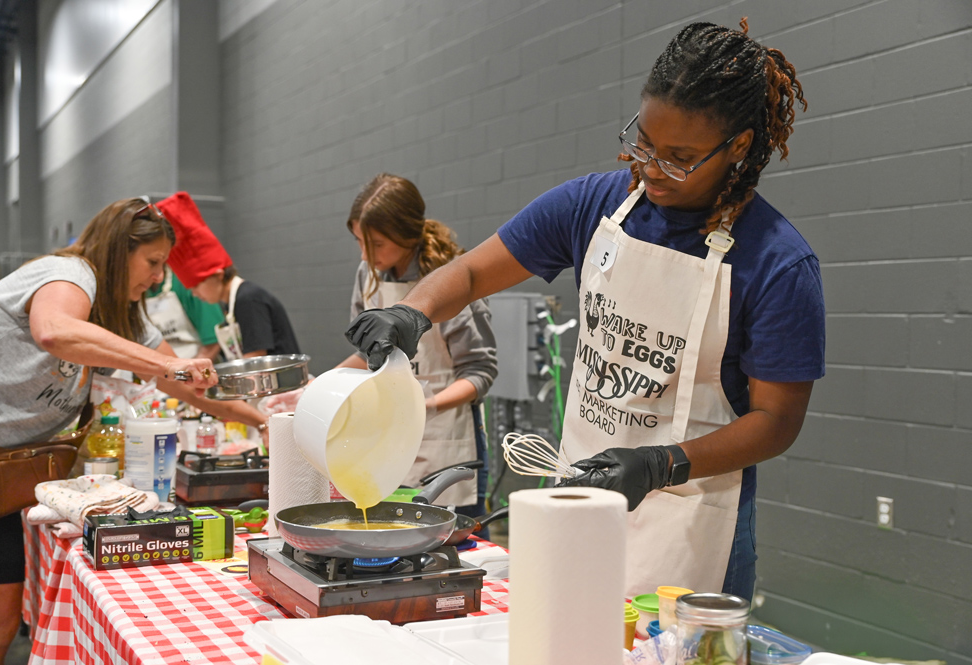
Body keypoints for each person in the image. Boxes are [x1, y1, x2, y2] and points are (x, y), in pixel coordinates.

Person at [345, 20, 825, 600]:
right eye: (644, 142)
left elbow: (777, 421)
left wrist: (660, 464)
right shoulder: (593, 206)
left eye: (680, 158)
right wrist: (414, 313)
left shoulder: (778, 263)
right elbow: (472, 271)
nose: (650, 168)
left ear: (739, 147)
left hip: (692, 510)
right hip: (578, 494)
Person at [0, 198, 263, 665]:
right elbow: (53, 330)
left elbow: (185, 386)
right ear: (117, 249)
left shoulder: (123, 315)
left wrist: (264, 420)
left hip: (1, 475)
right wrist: (169, 362)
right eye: (151, 262)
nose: (157, 277)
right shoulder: (70, 273)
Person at [338, 174, 497, 515]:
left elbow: (480, 372)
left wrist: (419, 407)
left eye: (377, 244)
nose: (366, 254)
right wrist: (323, 384)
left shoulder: (452, 280)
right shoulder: (368, 276)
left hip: (445, 443)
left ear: (406, 234)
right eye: (359, 241)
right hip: (385, 441)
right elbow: (366, 353)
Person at [161, 192, 301, 360]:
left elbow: (255, 359)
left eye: (196, 285)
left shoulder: (248, 299)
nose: (194, 293)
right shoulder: (233, 305)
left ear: (218, 274)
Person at [145, 265, 225, 360]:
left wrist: (188, 372)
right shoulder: (135, 292)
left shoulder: (185, 283)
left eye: (153, 262)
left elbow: (213, 339)